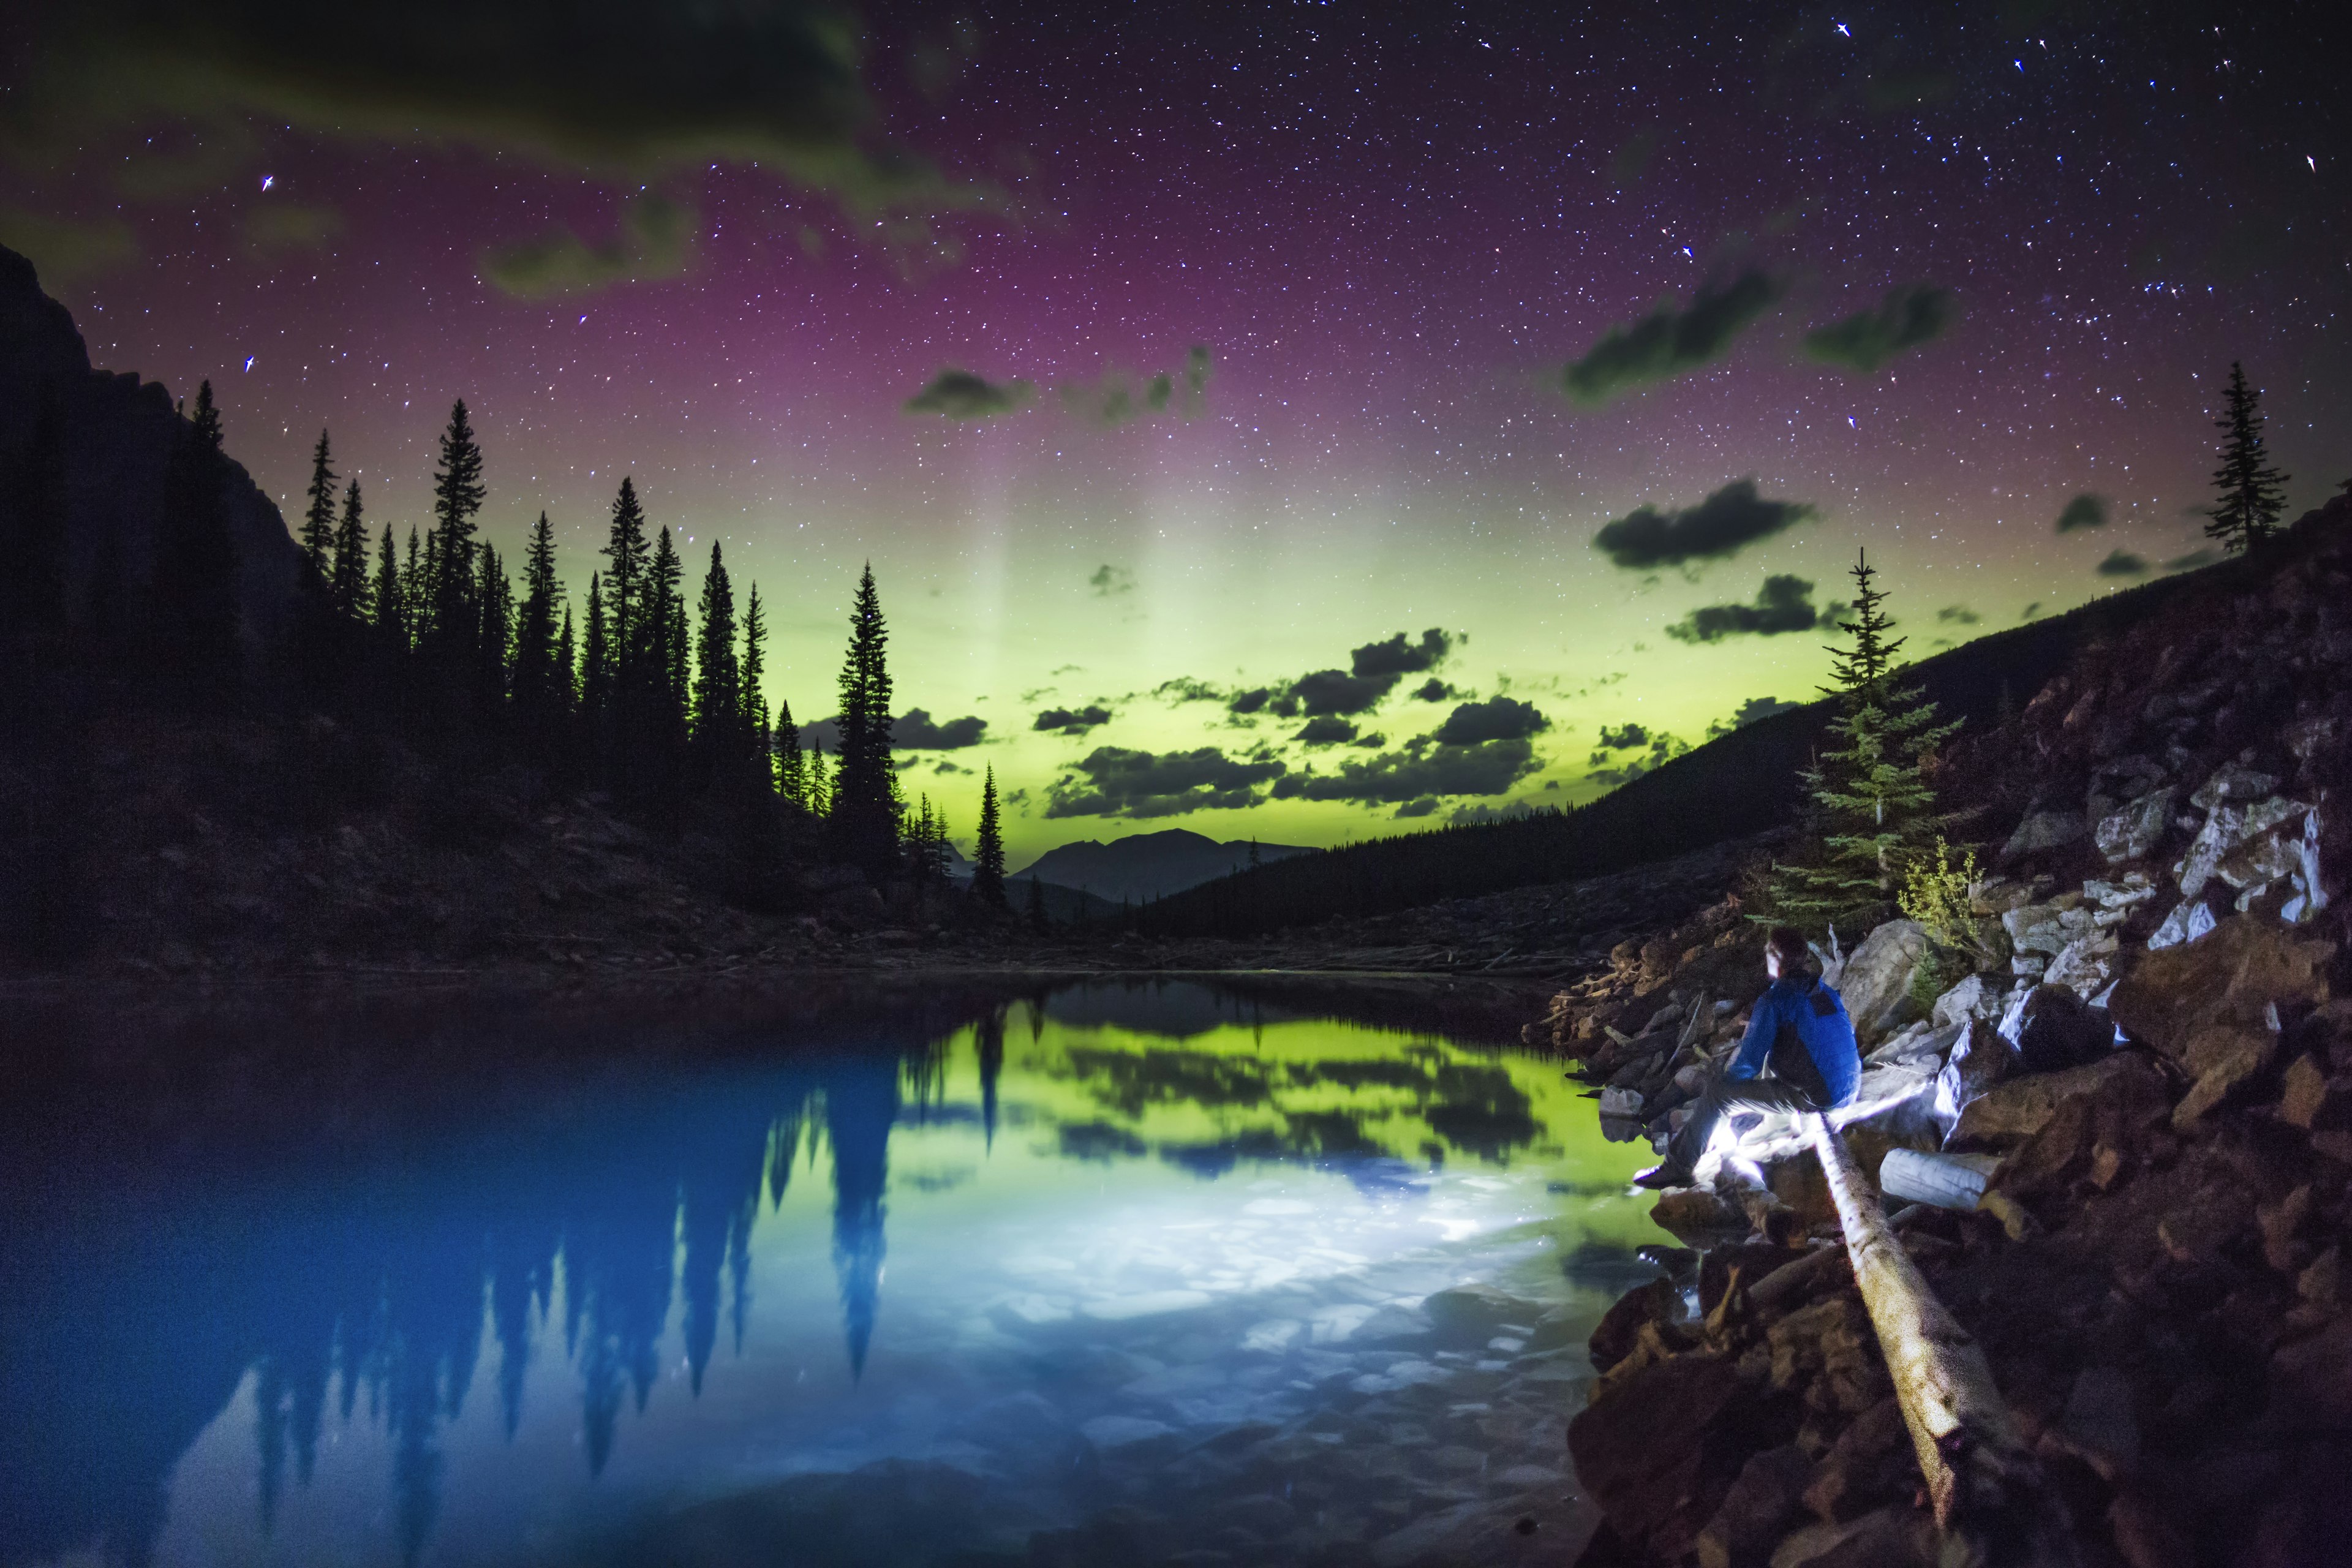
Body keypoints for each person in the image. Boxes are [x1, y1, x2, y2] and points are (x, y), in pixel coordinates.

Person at [1634, 925, 1861, 1190]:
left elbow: (1748, 1063)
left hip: (1821, 1098)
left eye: (1768, 952)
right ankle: (1775, 1124)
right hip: (1850, 1086)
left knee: (1718, 1094)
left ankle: (1678, 1167)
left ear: (1775, 956)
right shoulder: (1825, 991)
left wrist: (1726, 1087)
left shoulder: (1775, 999)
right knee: (1781, 1051)